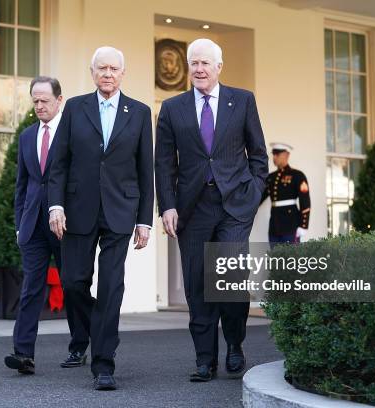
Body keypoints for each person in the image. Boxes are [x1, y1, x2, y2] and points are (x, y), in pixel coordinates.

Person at [155, 38, 268, 382]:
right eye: (194, 63)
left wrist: (253, 193)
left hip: (234, 205)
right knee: (198, 284)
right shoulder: (172, 108)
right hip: (192, 208)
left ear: (220, 66)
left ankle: (234, 344)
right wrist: (167, 207)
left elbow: (258, 154)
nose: (199, 69)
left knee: (231, 280)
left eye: (206, 63)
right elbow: (163, 163)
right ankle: (205, 359)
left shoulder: (243, 100)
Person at [48, 46, 154, 391]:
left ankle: (104, 364)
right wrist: (56, 205)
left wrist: (144, 220)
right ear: (92, 73)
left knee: (111, 287)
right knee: (73, 282)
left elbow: (145, 170)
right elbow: (59, 163)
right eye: (101, 69)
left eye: (113, 69)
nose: (107, 74)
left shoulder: (138, 112)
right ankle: (100, 325)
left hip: (121, 211)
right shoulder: (75, 108)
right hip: (78, 210)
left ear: (123, 73)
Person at [4, 76, 65, 375]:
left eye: (45, 101)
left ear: (59, 100)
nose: (39, 106)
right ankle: (23, 354)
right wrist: (19, 225)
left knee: (76, 287)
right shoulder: (28, 136)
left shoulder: (71, 134)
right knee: (31, 289)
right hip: (32, 227)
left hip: (65, 225)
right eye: (35, 101)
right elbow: (22, 185)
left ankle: (85, 343)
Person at [260, 143, 311, 247]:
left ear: (287, 155)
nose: (274, 157)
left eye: (277, 154)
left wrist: (303, 225)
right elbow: (259, 198)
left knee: (290, 260)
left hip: (291, 225)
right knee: (275, 259)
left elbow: (305, 201)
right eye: (273, 154)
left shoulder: (297, 175)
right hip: (274, 225)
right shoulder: (271, 178)